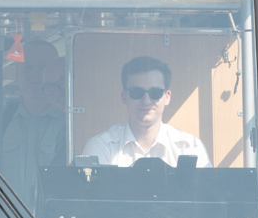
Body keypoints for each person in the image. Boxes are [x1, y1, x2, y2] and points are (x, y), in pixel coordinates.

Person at [80, 55, 211, 168]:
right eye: (137, 92)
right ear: (124, 97)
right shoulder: (101, 147)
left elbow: (206, 195)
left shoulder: (190, 147)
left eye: (155, 92)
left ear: (167, 97)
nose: (146, 100)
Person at [0, 39, 66, 205]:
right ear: (16, 74)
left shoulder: (72, 124)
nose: (35, 73)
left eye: (43, 67)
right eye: (27, 67)